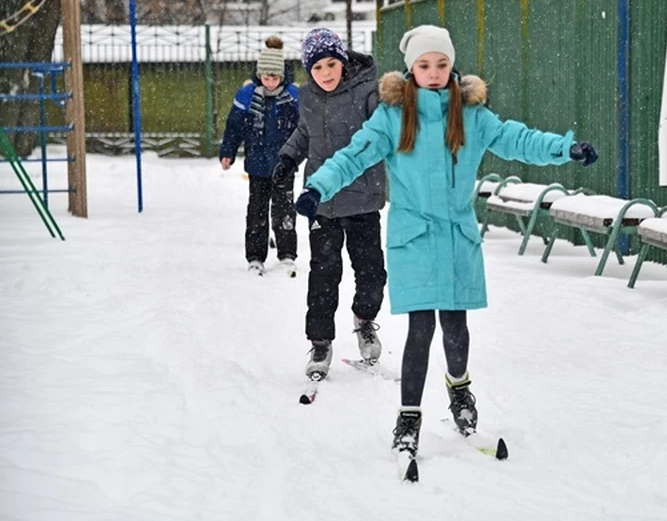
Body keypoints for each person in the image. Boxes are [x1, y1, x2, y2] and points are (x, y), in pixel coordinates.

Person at [293, 24, 598, 459]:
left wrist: (563, 149)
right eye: (424, 65)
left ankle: (460, 394)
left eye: (441, 64)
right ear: (411, 68)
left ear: (451, 66)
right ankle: (408, 418)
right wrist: (317, 188)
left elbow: (518, 139)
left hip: (456, 236)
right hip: (413, 236)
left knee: (456, 324)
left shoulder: (472, 114)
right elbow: (353, 156)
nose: (433, 72)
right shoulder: (392, 116)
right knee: (421, 328)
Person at [274, 28, 388, 375]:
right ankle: (320, 344)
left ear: (342, 62)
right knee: (324, 275)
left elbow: (384, 129)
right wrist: (288, 158)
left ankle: (364, 318)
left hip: (364, 197)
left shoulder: (369, 91)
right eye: (317, 67)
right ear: (309, 71)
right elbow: (305, 132)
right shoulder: (307, 96)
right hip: (321, 202)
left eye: (330, 64)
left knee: (371, 274)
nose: (325, 73)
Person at [219, 36, 300, 277]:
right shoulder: (247, 96)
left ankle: (287, 254)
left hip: (284, 164)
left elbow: (304, 129)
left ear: (282, 76)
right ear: (259, 74)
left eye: (275, 77)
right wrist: (228, 153)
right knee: (257, 211)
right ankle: (255, 256)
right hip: (257, 164)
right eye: (266, 76)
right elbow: (234, 127)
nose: (271, 81)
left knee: (284, 210)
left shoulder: (293, 97)